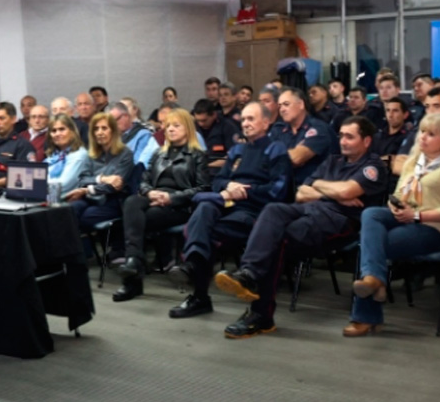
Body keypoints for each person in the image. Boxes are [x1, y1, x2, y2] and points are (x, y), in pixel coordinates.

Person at [214, 116, 388, 338]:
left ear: (366, 141)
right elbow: (301, 193)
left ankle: (260, 313)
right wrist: (333, 193)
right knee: (273, 210)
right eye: (341, 136)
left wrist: (321, 186)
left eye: (349, 137)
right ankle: (249, 273)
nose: (343, 141)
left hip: (338, 221)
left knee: (277, 240)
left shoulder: (373, 166)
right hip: (308, 209)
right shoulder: (333, 160)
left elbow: (345, 191)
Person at [346, 113, 440, 336]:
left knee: (374, 246)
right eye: (422, 132)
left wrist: (416, 216)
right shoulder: (413, 163)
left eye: (431, 134)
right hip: (405, 218)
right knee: (371, 214)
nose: (423, 137)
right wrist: (395, 205)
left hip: (436, 229)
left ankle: (367, 314)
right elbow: (398, 194)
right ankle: (374, 280)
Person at [166, 103, 292, 319]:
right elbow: (217, 181)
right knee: (204, 208)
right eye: (243, 120)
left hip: (256, 211)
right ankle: (194, 267)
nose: (246, 124)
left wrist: (244, 192)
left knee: (203, 232)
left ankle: (198, 289)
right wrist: (228, 186)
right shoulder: (237, 150)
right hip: (228, 205)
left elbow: (278, 191)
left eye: (251, 119)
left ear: (266, 122)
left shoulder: (276, 149)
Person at [115, 108, 210, 299]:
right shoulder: (158, 153)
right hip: (154, 197)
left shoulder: (197, 156)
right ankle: (134, 261)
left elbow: (203, 188)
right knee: (131, 202)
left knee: (136, 221)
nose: (170, 129)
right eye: (168, 126)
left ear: (188, 128)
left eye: (176, 125)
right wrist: (150, 192)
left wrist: (171, 198)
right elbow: (143, 181)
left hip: (179, 205)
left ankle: (133, 276)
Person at [66, 113, 136, 300]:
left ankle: (76, 260)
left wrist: (89, 188)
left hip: (114, 201)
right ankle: (70, 260)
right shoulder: (91, 154)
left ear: (113, 131)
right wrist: (102, 179)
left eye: (104, 128)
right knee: (69, 211)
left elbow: (115, 186)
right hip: (90, 197)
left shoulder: (125, 154)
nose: (100, 132)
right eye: (96, 129)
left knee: (85, 217)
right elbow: (82, 178)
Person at [271, 87, 337, 186]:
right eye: (280, 106)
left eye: (286, 104)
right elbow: (263, 159)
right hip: (283, 187)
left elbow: (295, 159)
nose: (282, 109)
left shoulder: (318, 128)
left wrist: (277, 156)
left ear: (301, 104)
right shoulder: (278, 129)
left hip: (313, 188)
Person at [45, 114, 89, 196]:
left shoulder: (79, 155)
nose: (57, 134)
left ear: (72, 131)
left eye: (62, 129)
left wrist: (39, 186)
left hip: (65, 201)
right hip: (45, 198)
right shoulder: (52, 156)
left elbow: (63, 185)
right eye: (54, 131)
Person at [193, 98, 240, 174]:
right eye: (198, 120)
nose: (200, 124)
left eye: (204, 120)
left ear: (214, 115)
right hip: (197, 170)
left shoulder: (228, 127)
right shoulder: (193, 127)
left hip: (220, 171)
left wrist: (207, 166)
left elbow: (234, 155)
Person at [110, 101, 159, 169]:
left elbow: (137, 163)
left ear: (126, 116)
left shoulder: (143, 135)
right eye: (110, 122)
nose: (113, 125)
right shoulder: (110, 136)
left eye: (115, 120)